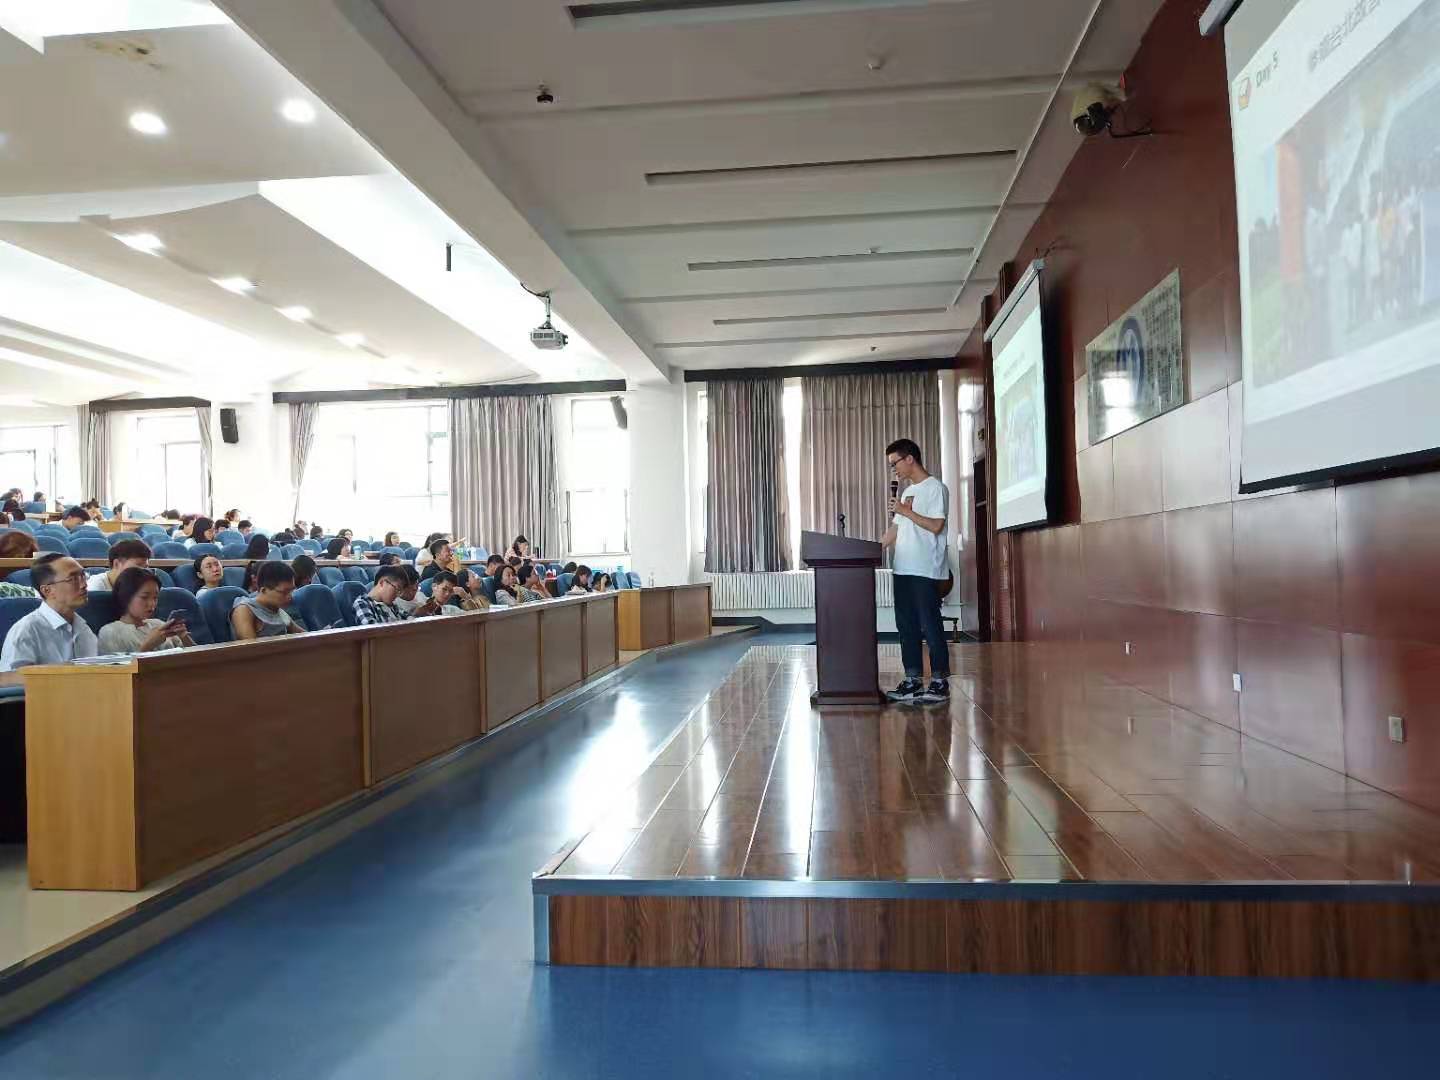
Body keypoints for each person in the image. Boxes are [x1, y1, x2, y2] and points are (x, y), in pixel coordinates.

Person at [881, 438, 950, 704]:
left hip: (925, 569)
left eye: (894, 463)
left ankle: (939, 682)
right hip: (902, 568)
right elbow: (896, 529)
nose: (893, 470)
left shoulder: (936, 488)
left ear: (909, 458)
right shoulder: (908, 492)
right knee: (906, 626)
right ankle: (912, 680)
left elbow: (936, 526)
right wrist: (871, 549)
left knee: (930, 626)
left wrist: (904, 511)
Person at [0, 553, 99, 671]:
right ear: (47, 590)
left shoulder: (84, 628)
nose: (84, 584)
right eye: (72, 579)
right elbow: (10, 679)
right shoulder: (26, 632)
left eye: (83, 575)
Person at [97, 567, 194, 654]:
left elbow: (198, 659)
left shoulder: (159, 624)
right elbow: (120, 667)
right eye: (144, 597)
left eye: (155, 598)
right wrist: (148, 645)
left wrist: (184, 637)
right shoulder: (110, 632)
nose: (152, 604)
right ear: (125, 597)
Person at [231, 561, 303, 639]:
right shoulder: (244, 609)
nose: (290, 597)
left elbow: (304, 636)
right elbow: (250, 646)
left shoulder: (278, 610)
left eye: (292, 591)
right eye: (284, 592)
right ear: (264, 590)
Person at [354, 564, 432, 624]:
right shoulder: (363, 603)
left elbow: (409, 619)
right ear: (382, 583)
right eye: (397, 589)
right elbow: (372, 631)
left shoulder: (392, 605)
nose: (397, 594)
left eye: (400, 591)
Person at [87, 539, 153, 592]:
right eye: (138, 566)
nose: (143, 572)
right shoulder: (95, 587)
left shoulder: (139, 585)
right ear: (116, 564)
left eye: (145, 567)